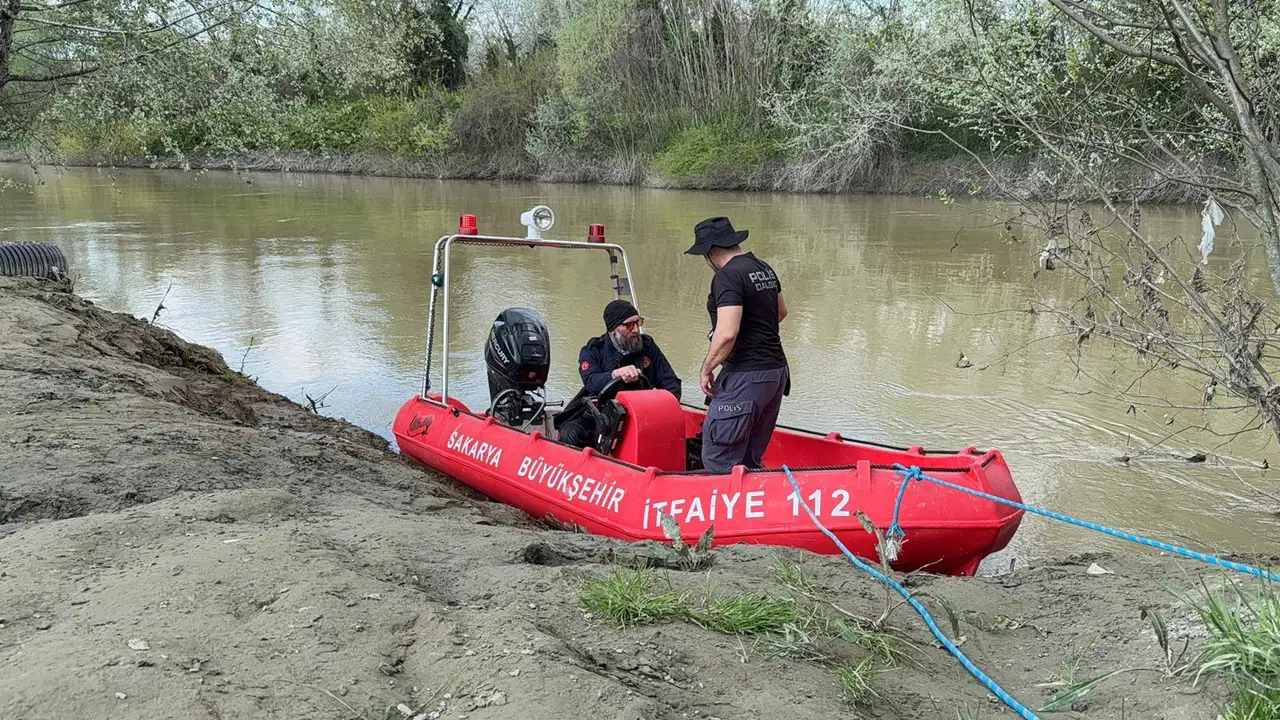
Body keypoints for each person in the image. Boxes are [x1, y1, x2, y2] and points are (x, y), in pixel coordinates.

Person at [685, 216, 789, 472]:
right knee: (749, 458)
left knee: (719, 459)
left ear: (711, 251)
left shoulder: (728, 276)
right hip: (775, 374)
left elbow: (727, 333)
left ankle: (717, 509)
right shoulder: (763, 268)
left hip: (746, 375)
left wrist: (707, 368)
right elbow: (781, 312)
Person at [555, 299, 681, 449]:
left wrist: (658, 409)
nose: (636, 330)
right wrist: (614, 374)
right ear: (613, 329)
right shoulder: (593, 350)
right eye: (629, 325)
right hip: (600, 414)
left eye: (638, 323)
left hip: (642, 415)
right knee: (571, 433)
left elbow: (672, 384)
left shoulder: (648, 347)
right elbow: (591, 381)